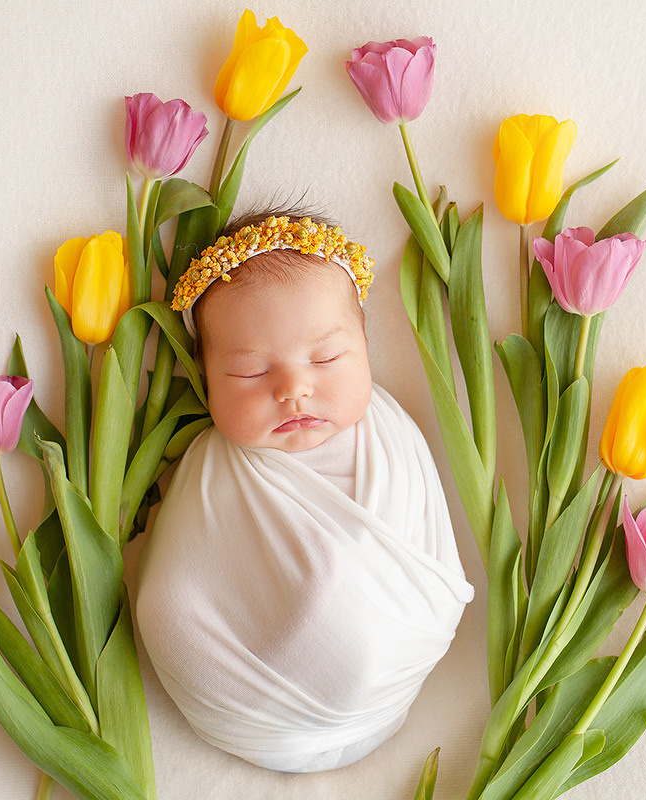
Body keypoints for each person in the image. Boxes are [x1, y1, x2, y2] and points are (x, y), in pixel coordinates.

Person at [135, 212, 473, 773]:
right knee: (166, 608)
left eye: (326, 359)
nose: (293, 389)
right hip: (249, 704)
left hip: (390, 677)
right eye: (248, 372)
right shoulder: (213, 471)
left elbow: (421, 542)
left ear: (366, 346)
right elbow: (182, 584)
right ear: (205, 378)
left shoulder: (390, 437)